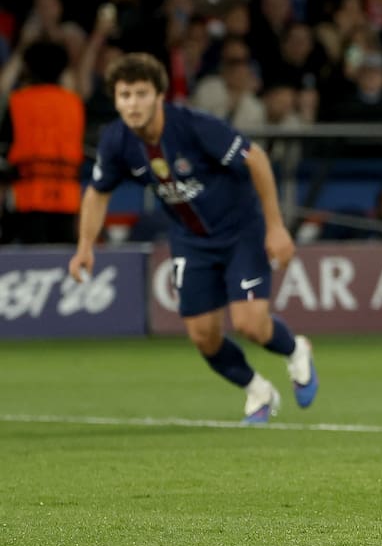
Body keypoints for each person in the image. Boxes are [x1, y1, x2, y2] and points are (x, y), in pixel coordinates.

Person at [67, 53, 317, 425]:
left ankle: (296, 350)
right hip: (190, 239)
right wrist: (85, 245)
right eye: (124, 96)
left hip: (239, 231)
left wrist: (275, 226)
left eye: (140, 93)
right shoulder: (117, 140)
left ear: (159, 95)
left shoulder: (195, 126)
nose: (132, 104)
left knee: (250, 323)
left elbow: (257, 159)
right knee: (203, 336)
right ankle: (258, 391)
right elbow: (98, 192)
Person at [0, 41, 85, 244]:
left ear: (27, 68)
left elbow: (5, 145)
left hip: (28, 196)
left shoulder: (18, 101)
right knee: (64, 260)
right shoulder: (75, 103)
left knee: (30, 259)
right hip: (67, 196)